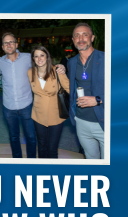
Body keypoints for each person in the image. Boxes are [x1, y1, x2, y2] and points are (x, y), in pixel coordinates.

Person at [67, 23, 105, 159]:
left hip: (103, 122)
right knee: (91, 161)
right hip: (81, 122)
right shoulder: (71, 62)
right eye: (77, 35)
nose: (81, 38)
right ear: (73, 40)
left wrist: (98, 99)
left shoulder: (107, 58)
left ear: (92, 38)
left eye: (85, 34)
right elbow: (70, 87)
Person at [28, 45, 70, 158]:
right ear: (33, 59)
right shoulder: (30, 72)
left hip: (56, 115)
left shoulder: (57, 71)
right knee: (41, 146)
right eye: (36, 56)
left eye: (42, 55)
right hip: (38, 115)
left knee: (52, 149)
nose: (39, 58)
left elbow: (70, 89)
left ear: (47, 57)